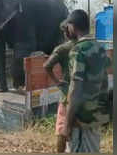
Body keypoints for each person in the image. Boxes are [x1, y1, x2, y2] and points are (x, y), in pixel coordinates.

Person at [64, 10, 110, 153]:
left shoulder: (78, 51)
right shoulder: (100, 48)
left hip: (82, 119)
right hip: (96, 116)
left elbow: (75, 90)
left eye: (68, 26)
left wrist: (67, 123)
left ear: (72, 26)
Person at [43, 20, 77, 153]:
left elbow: (46, 66)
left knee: (62, 128)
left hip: (67, 94)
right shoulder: (85, 46)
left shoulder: (63, 49)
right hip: (84, 95)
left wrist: (57, 82)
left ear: (66, 32)